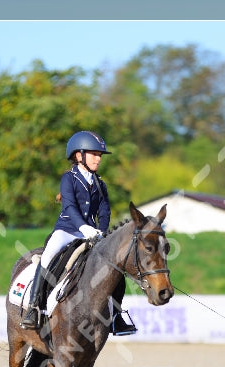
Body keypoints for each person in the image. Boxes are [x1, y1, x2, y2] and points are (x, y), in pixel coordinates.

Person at [20, 130, 137, 335]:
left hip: (92, 233)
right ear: (78, 155)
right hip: (67, 230)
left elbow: (105, 211)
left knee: (114, 268)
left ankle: (117, 317)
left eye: (99, 155)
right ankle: (34, 308)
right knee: (48, 257)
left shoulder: (100, 184)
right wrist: (84, 227)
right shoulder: (69, 179)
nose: (98, 159)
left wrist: (101, 232)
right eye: (94, 154)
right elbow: (69, 207)